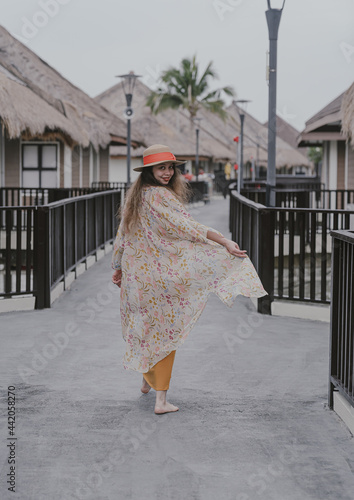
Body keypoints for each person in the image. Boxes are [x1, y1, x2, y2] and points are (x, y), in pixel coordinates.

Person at [112, 144, 267, 415]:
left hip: (137, 277)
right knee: (165, 332)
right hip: (158, 278)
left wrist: (117, 266)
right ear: (149, 170)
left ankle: (146, 382)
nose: (168, 172)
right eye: (162, 167)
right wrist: (224, 241)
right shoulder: (162, 197)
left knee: (146, 327)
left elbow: (122, 235)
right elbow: (189, 228)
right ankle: (161, 401)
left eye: (171, 167)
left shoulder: (134, 197)